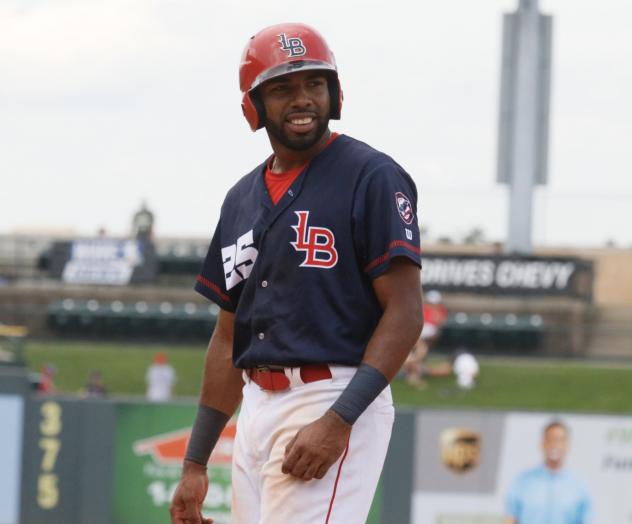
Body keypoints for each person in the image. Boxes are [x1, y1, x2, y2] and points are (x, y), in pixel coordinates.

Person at [170, 23, 423, 524]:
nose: (302, 98)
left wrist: (339, 419)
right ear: (255, 106)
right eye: (282, 88)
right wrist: (195, 462)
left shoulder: (371, 176)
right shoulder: (241, 198)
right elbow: (227, 337)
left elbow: (405, 310)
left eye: (314, 83)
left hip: (333, 392)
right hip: (256, 404)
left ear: (335, 92)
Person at [505, 420, 593, 524]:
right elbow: (510, 519)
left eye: (560, 440)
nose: (555, 444)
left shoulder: (579, 485)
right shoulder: (523, 481)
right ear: (542, 443)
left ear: (567, 445)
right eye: (550, 439)